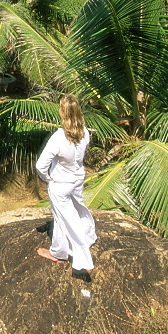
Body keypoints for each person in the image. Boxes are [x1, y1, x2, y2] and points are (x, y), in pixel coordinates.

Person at [35, 94, 97, 281]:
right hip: (77, 179)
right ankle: (87, 235)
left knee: (65, 219)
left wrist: (47, 178)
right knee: (78, 210)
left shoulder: (59, 137)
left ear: (62, 112)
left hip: (61, 183)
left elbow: (40, 165)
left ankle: (65, 254)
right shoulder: (84, 132)